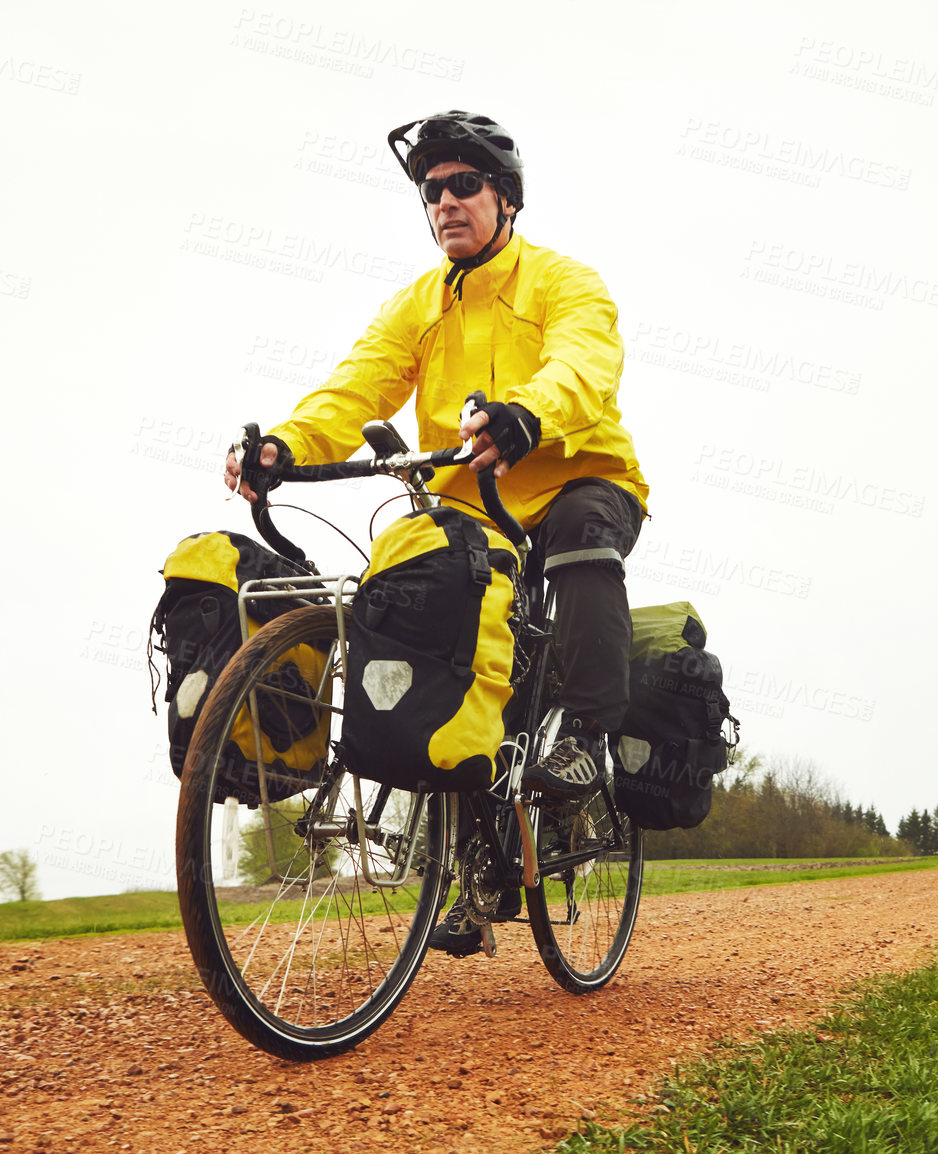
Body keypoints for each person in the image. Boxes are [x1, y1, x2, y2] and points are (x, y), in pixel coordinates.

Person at [223, 110, 649, 954]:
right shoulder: (418, 305)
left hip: (574, 474)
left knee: (578, 534)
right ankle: (474, 864)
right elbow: (357, 387)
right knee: (431, 638)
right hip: (470, 511)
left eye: (464, 185)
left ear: (505, 199)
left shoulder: (566, 282)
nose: (446, 201)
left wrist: (531, 413)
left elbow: (585, 363)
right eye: (432, 190)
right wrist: (285, 446)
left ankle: (589, 741)